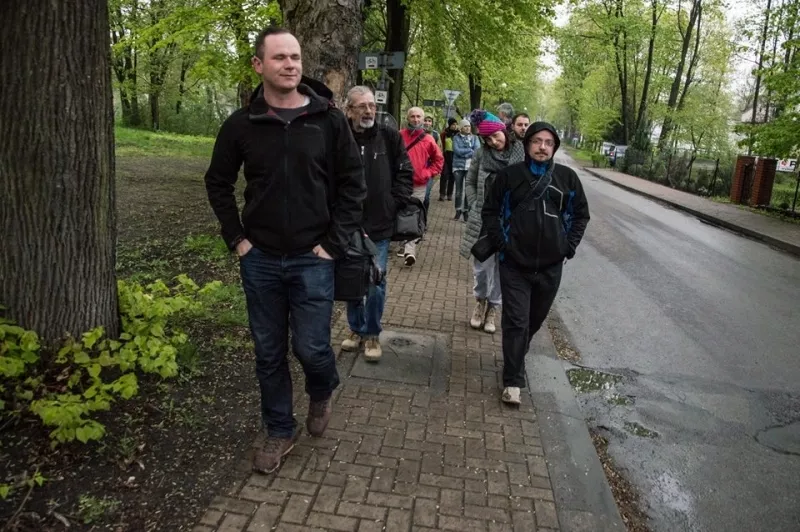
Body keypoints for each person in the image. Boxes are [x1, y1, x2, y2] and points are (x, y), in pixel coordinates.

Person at [204, 27, 366, 473]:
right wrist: (237, 238)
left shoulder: (328, 121)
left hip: (313, 258)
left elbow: (354, 185)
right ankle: (279, 429)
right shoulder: (242, 124)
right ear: (259, 65)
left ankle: (321, 389)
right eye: (279, 57)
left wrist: (333, 244)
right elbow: (218, 183)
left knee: (312, 348)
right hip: (260, 259)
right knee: (269, 351)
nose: (290, 64)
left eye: (295, 57)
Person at [482, 122, 590, 405]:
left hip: (551, 267)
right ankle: (513, 380)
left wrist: (568, 247)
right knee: (516, 322)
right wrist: (503, 244)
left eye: (548, 143)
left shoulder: (567, 178)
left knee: (533, 321)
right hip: (514, 263)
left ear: (554, 147)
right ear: (527, 143)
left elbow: (581, 215)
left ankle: (516, 357)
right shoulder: (509, 176)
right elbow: (490, 212)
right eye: (537, 141)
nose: (542, 147)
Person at [340, 86, 413, 360]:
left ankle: (372, 333)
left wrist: (393, 203)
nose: (369, 111)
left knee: (375, 281)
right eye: (362, 106)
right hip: (347, 225)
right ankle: (355, 329)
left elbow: (405, 172)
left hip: (379, 225)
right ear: (349, 110)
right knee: (351, 279)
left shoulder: (389, 137)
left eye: (372, 105)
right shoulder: (339, 137)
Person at [460, 110, 525, 335]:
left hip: (509, 222)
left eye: (496, 136)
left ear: (503, 131)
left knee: (501, 269)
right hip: (484, 221)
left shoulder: (520, 154)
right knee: (481, 268)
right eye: (488, 139)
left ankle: (493, 309)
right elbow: (470, 181)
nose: (494, 142)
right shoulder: (481, 154)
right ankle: (480, 302)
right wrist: (475, 203)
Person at [398, 107, 444, 266]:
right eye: (413, 116)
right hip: (399, 183)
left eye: (419, 116)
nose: (416, 119)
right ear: (408, 118)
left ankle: (409, 250)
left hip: (419, 184)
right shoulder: (399, 136)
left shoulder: (428, 139)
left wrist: (427, 173)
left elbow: (439, 160)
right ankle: (401, 240)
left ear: (423, 119)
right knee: (399, 211)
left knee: (413, 214)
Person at [452, 119, 479, 221]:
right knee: (458, 190)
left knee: (468, 190)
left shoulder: (475, 138)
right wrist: (470, 151)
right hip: (458, 167)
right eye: (465, 126)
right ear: (461, 128)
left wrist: (466, 153)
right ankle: (458, 210)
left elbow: (477, 150)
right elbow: (457, 151)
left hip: (470, 167)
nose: (468, 128)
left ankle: (466, 211)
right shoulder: (456, 138)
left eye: (469, 126)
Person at [422, 114, 441, 211]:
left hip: (429, 168)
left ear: (432, 123)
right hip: (417, 167)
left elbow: (439, 153)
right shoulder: (416, 132)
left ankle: (424, 216)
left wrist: (435, 170)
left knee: (426, 195)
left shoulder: (436, 135)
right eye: (425, 120)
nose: (427, 123)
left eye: (429, 121)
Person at [439, 117, 459, 201]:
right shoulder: (444, 134)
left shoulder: (458, 134)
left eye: (456, 124)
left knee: (452, 176)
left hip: (455, 157)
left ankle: (449, 194)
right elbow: (440, 144)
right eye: (453, 124)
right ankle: (442, 194)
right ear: (450, 125)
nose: (455, 126)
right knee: (444, 175)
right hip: (446, 156)